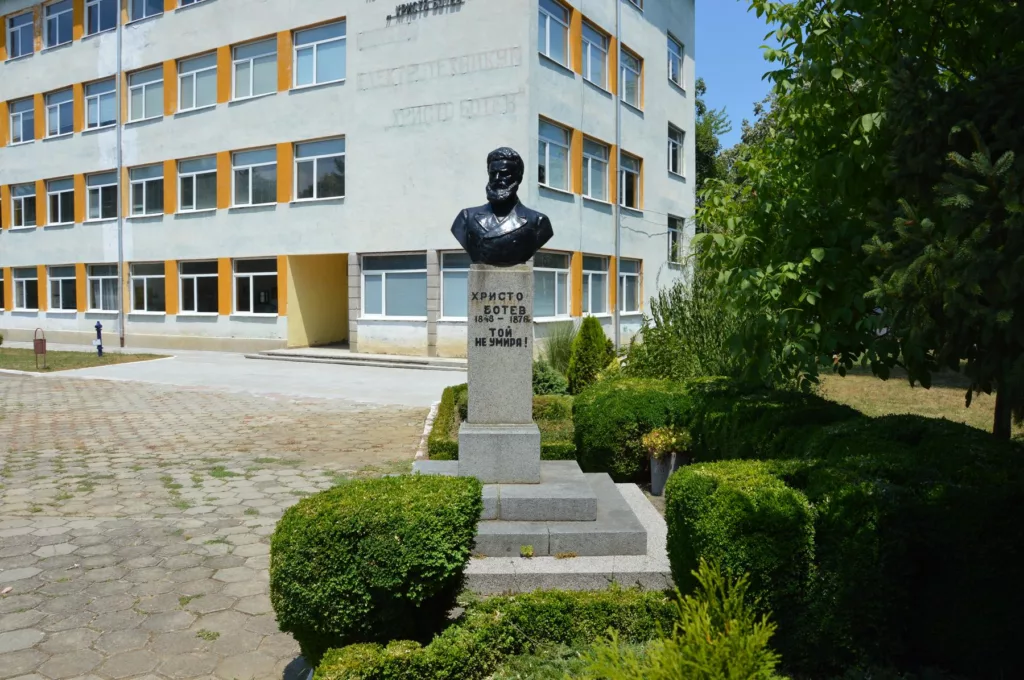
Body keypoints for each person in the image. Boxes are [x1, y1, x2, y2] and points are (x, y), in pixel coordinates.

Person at [450, 147, 554, 266]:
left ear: (518, 177)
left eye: (504, 174)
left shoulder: (538, 222)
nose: (497, 179)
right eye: (493, 174)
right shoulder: (466, 218)